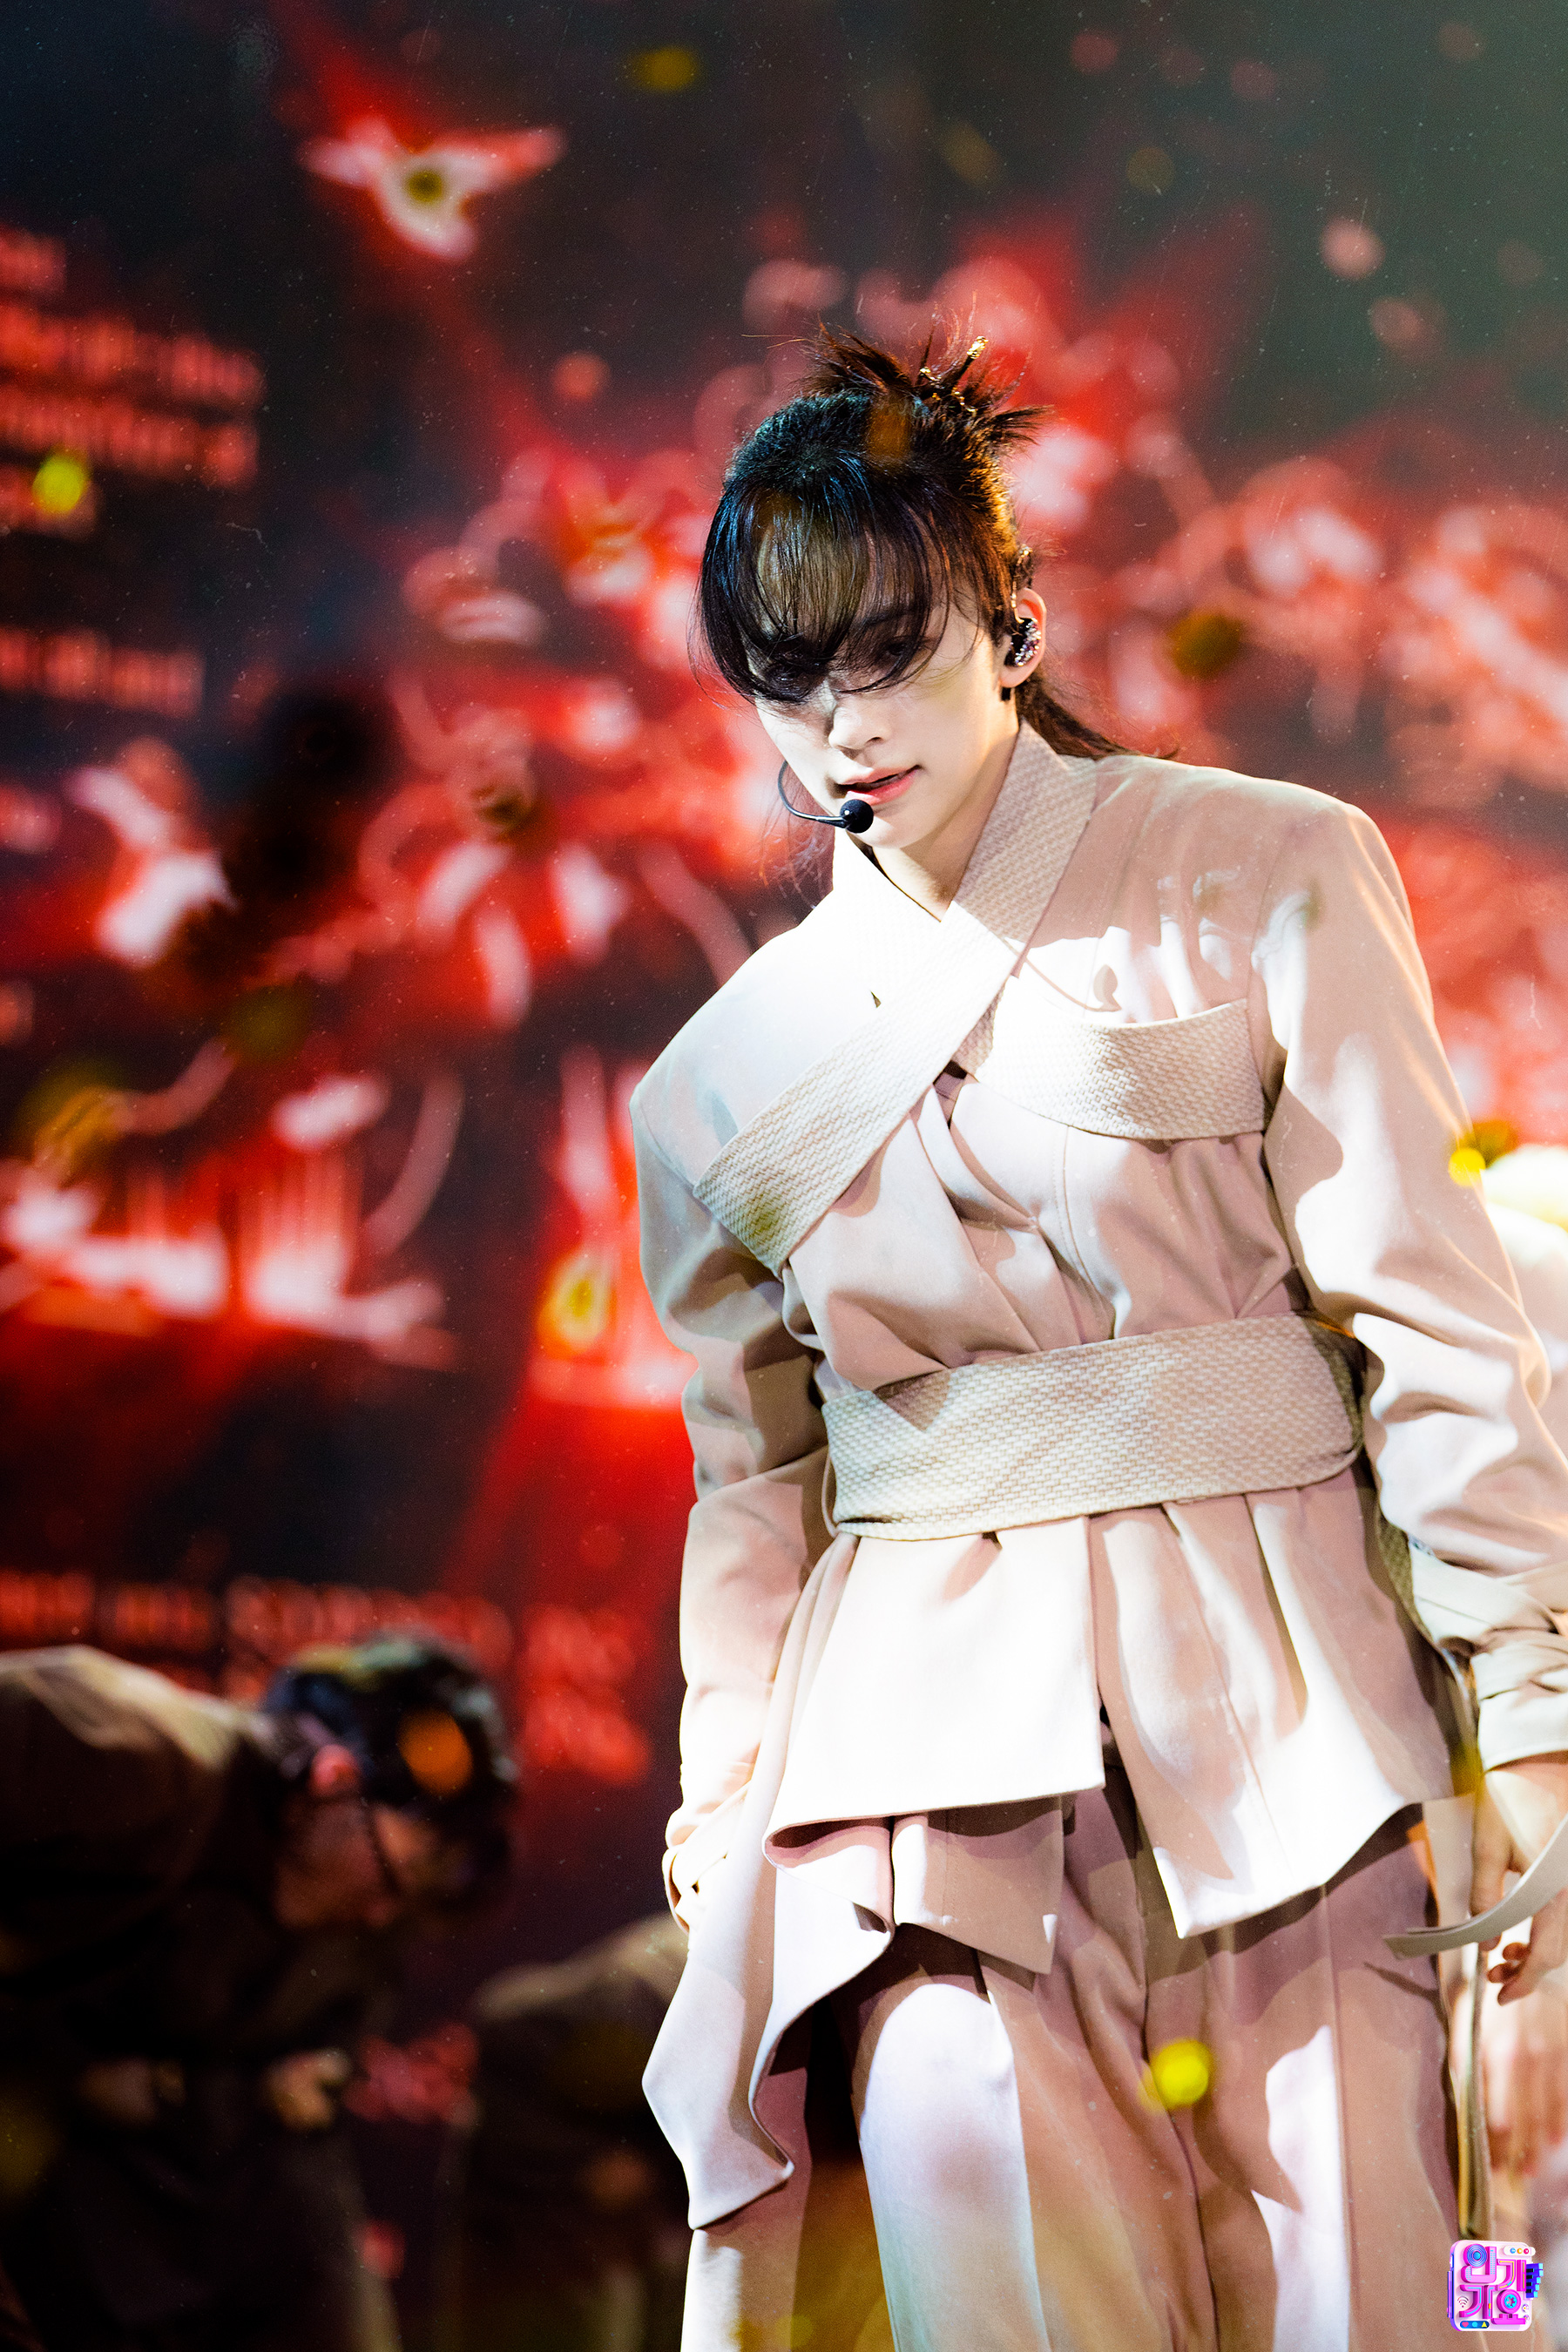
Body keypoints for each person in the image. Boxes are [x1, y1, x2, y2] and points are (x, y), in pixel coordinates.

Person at [628, 328, 1568, 2352]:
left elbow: (1428, 1307)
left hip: (1308, 1724)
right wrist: (724, 1818)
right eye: (787, 677)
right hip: (910, 1796)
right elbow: (752, 1492)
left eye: (886, 650)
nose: (839, 722)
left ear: (1011, 617)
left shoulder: (1273, 864)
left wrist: (1533, 1698)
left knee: (1402, 2295)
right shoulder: (711, 1084)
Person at [0, 1634, 515, 2352]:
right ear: (332, 1781)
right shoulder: (131, 1752)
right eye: (394, 1875)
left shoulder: (355, 1913)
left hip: (193, 2205)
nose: (379, 1915)